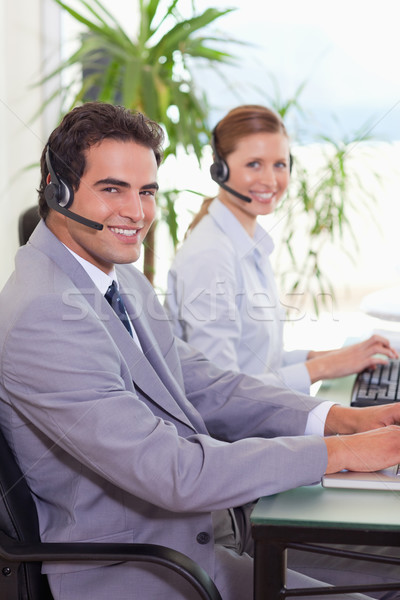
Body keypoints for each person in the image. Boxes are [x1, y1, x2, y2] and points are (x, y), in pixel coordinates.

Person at [0, 102, 400, 600]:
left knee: (385, 568)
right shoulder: (44, 314)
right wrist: (341, 453)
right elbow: (175, 472)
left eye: (146, 192)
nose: (136, 212)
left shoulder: (115, 276)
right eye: (112, 189)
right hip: (140, 571)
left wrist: (338, 418)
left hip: (194, 540)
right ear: (56, 188)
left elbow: (204, 383)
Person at [165, 105, 398, 394]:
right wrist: (323, 368)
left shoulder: (246, 243)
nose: (271, 180)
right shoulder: (211, 256)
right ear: (219, 168)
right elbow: (221, 391)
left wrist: (335, 357)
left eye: (280, 164)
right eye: (254, 164)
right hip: (231, 434)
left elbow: (259, 363)